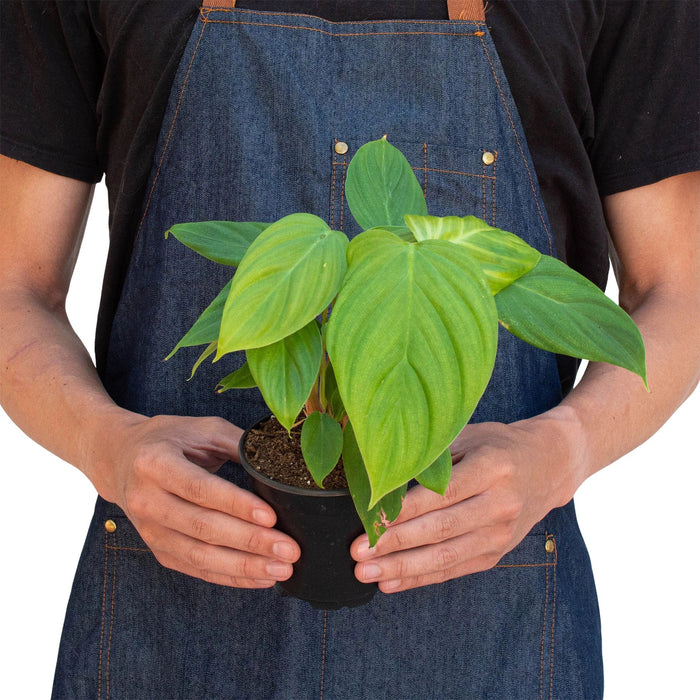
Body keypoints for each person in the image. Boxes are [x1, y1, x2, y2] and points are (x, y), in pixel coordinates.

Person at [1, 1, 698, 698]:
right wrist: (106, 446)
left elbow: (679, 288)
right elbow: (14, 286)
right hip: (170, 625)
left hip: (493, 632)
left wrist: (564, 450)